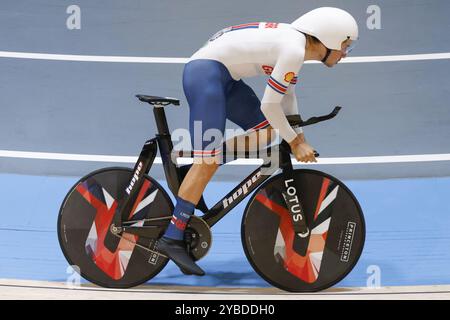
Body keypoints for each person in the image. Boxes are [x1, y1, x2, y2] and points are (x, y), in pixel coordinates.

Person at [157, 7, 359, 275]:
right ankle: (172, 236)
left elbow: (287, 97)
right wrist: (296, 143)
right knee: (208, 162)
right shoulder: (293, 50)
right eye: (345, 45)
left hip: (223, 76)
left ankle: (196, 168)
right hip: (205, 76)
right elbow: (270, 106)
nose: (345, 53)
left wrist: (299, 136)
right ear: (330, 38)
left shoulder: (294, 46)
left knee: (265, 132)